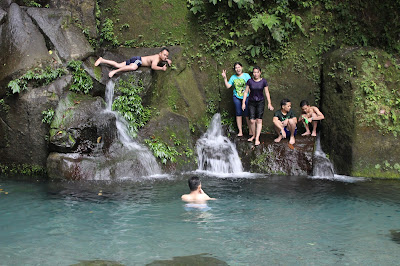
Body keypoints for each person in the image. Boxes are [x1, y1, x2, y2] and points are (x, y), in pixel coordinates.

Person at [241, 66, 274, 146]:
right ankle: (254, 135)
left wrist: (269, 103)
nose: (255, 74)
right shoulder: (249, 81)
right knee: (252, 120)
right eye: (254, 72)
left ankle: (257, 138)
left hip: (260, 102)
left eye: (257, 72)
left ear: (260, 73)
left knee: (259, 120)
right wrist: (243, 102)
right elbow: (245, 92)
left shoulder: (263, 81)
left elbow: (267, 92)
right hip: (251, 102)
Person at [95, 47, 172, 78]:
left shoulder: (160, 57)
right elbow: (153, 66)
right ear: (160, 53)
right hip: (138, 60)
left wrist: (166, 60)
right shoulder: (156, 59)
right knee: (133, 67)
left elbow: (162, 59)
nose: (165, 57)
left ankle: (102, 60)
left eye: (167, 56)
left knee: (118, 64)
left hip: (136, 59)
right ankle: (114, 71)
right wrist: (162, 68)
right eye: (164, 55)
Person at [221, 62, 253, 137]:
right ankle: (240, 131)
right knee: (238, 113)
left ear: (242, 67)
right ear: (234, 69)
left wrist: (251, 97)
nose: (238, 69)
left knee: (247, 114)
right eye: (236, 68)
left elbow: (250, 87)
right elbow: (228, 86)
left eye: (239, 67)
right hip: (237, 97)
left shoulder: (246, 76)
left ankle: (250, 130)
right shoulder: (233, 77)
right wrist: (225, 78)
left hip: (247, 97)